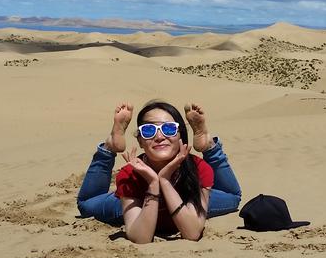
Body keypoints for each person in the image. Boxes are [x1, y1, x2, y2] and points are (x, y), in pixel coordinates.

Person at [75, 100, 242, 243]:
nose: (159, 136)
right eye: (148, 130)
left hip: (187, 200)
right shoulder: (130, 174)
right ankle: (109, 148)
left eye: (169, 129)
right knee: (87, 204)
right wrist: (154, 183)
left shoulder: (197, 168)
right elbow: (140, 239)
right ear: (140, 141)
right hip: (139, 206)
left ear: (180, 136)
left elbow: (192, 233)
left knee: (232, 197)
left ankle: (208, 147)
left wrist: (165, 181)